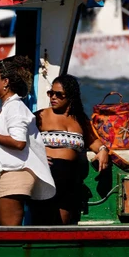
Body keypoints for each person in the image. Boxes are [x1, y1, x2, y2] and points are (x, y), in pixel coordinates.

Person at [0, 56, 55, 226]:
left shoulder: (15, 108)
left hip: (15, 174)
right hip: (1, 175)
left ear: (6, 82)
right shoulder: (3, 110)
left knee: (9, 232)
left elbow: (18, 143)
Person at [35, 74, 101, 225]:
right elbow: (23, 140)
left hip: (71, 181)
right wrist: (37, 153)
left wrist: (103, 150)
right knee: (43, 227)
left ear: (70, 97)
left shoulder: (79, 119)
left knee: (62, 228)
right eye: (51, 93)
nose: (53, 97)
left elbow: (93, 141)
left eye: (59, 94)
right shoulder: (40, 116)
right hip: (47, 178)